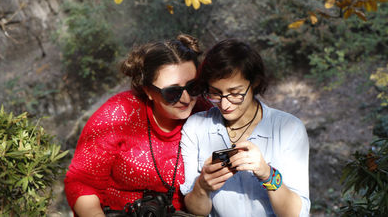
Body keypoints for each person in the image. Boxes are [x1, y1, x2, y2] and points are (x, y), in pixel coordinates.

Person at [64, 34, 210, 217]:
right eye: (172, 92)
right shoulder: (118, 114)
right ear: (148, 90)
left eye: (193, 86)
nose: (186, 98)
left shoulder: (207, 114)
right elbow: (82, 183)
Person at [180, 39, 310, 217]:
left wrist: (267, 174)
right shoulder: (196, 127)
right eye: (215, 93)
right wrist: (202, 186)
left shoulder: (289, 128)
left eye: (235, 93)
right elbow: (196, 211)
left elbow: (297, 214)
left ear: (255, 82)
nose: (225, 104)